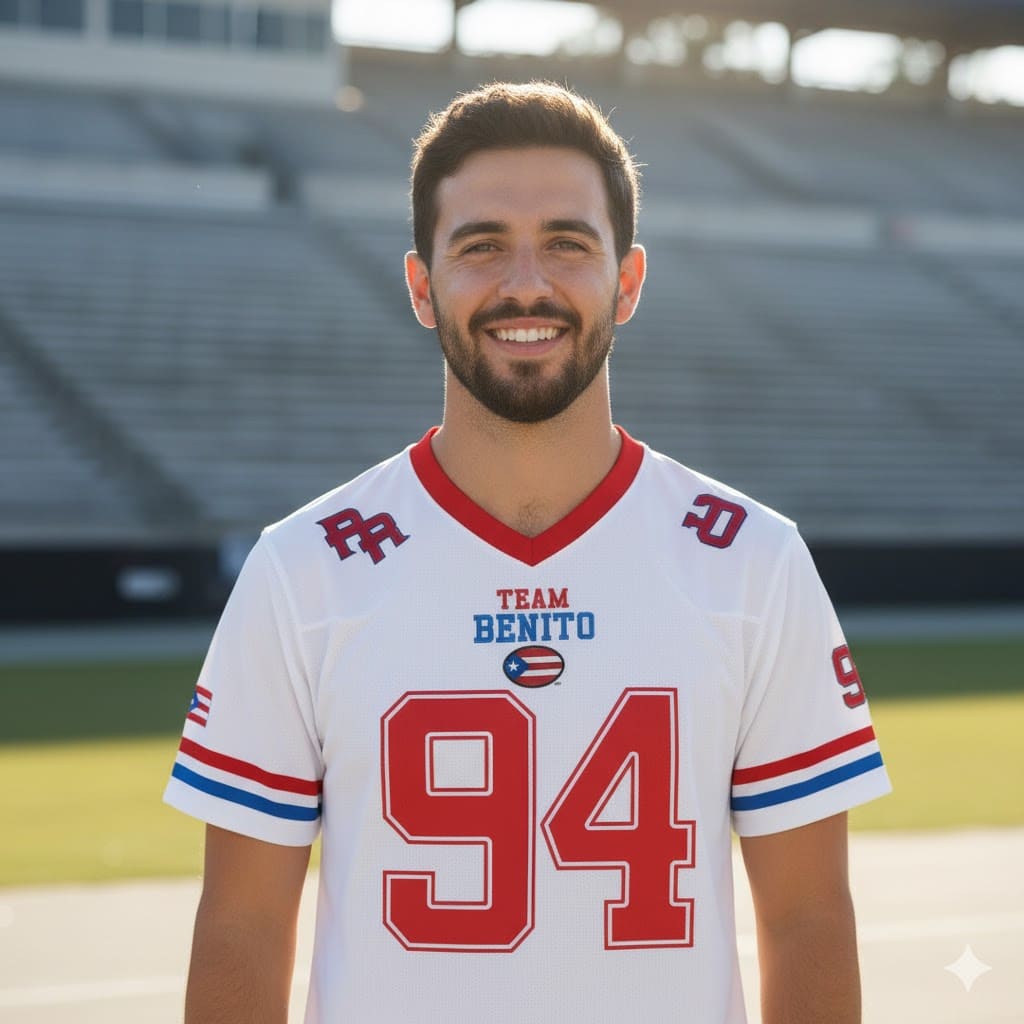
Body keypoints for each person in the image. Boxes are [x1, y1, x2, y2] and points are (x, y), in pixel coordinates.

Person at [165, 81, 891, 1024]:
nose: (525, 283)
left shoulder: (753, 562)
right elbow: (243, 929)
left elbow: (806, 919)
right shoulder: (303, 571)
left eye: (566, 242)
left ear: (626, 282)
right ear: (422, 287)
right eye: (479, 247)